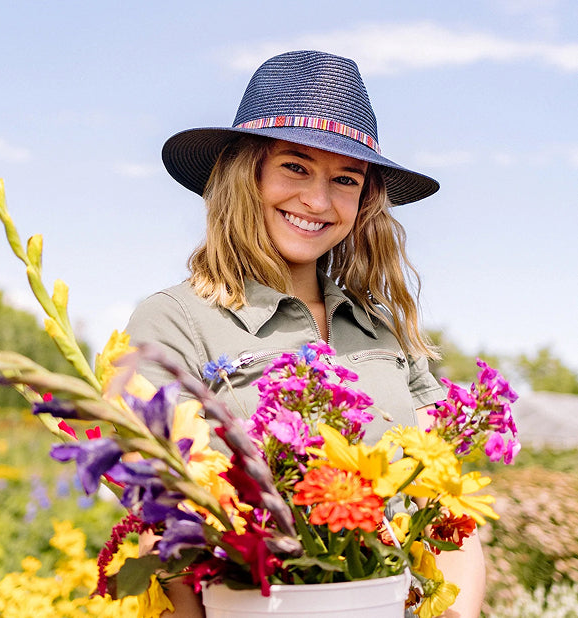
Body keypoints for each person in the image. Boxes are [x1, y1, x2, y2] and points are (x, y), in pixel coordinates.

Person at [126, 50, 485, 618]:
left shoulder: (385, 330)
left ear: (364, 200)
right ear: (246, 174)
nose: (318, 201)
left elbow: (448, 511)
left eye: (345, 179)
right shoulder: (174, 321)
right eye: (295, 167)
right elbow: (162, 524)